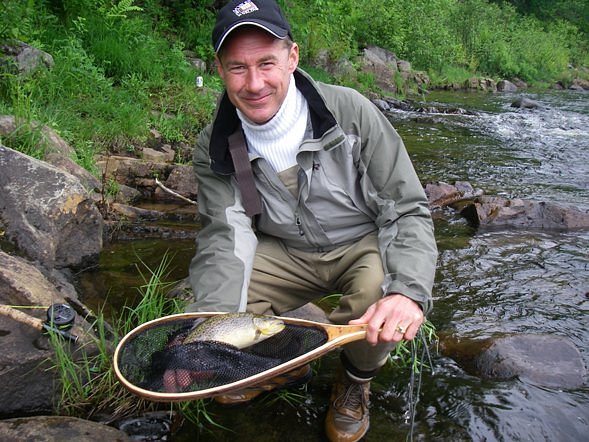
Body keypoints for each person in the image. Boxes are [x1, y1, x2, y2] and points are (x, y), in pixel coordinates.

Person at [186, 1, 438, 440]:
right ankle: (276, 363)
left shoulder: (352, 111)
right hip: (283, 249)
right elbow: (225, 239)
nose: (254, 83)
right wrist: (210, 328)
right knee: (213, 305)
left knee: (382, 298)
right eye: (238, 68)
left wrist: (409, 292)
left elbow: (406, 207)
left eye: (267, 62)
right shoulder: (215, 145)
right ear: (220, 70)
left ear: (293, 57)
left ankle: (355, 383)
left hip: (363, 243)